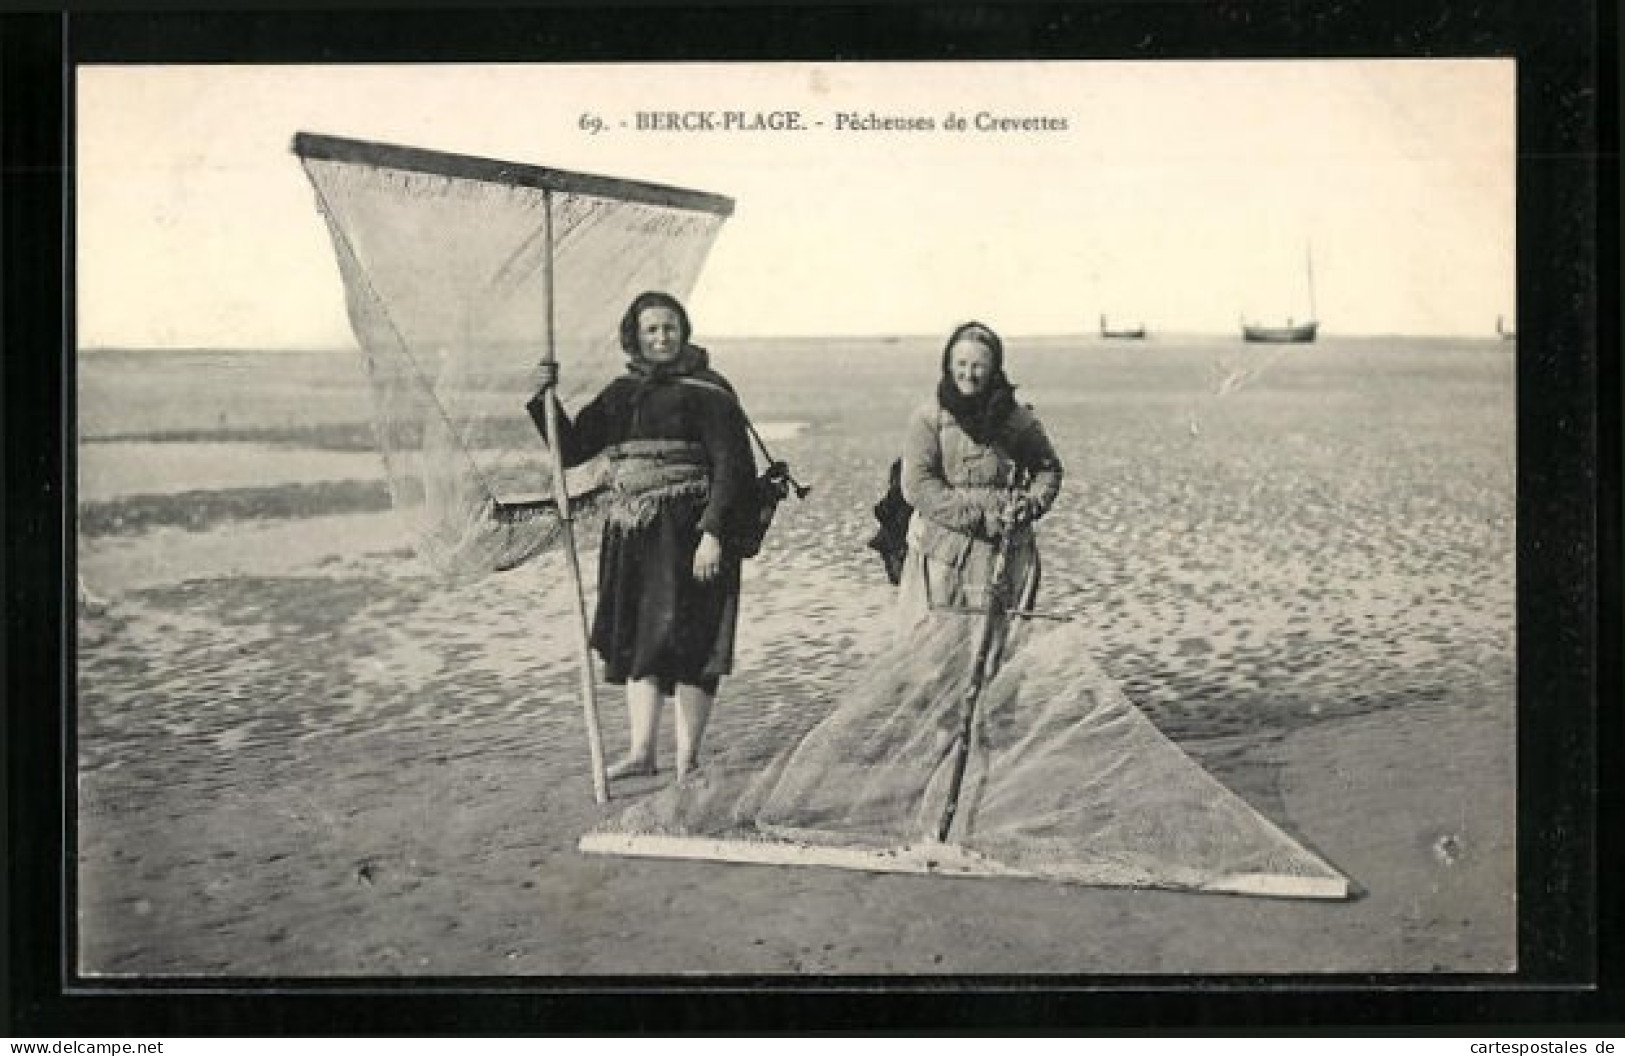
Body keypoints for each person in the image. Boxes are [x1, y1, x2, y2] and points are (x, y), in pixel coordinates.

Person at [528, 291, 755, 782]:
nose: (661, 338)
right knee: (639, 637)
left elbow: (733, 469)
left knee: (694, 641)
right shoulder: (620, 393)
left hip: (692, 535)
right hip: (633, 533)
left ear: (684, 330)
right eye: (651, 329)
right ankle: (642, 752)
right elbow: (572, 451)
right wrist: (544, 398)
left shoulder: (710, 391)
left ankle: (688, 759)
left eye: (669, 327)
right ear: (634, 335)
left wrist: (713, 534)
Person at [896, 321, 1063, 637]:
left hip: (1008, 554)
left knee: (998, 647)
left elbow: (1048, 469)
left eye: (978, 366)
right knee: (939, 646)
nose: (968, 374)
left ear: (994, 368)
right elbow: (917, 484)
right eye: (961, 364)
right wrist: (977, 519)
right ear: (948, 365)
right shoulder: (928, 419)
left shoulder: (1017, 419)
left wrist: (1031, 504)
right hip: (944, 555)